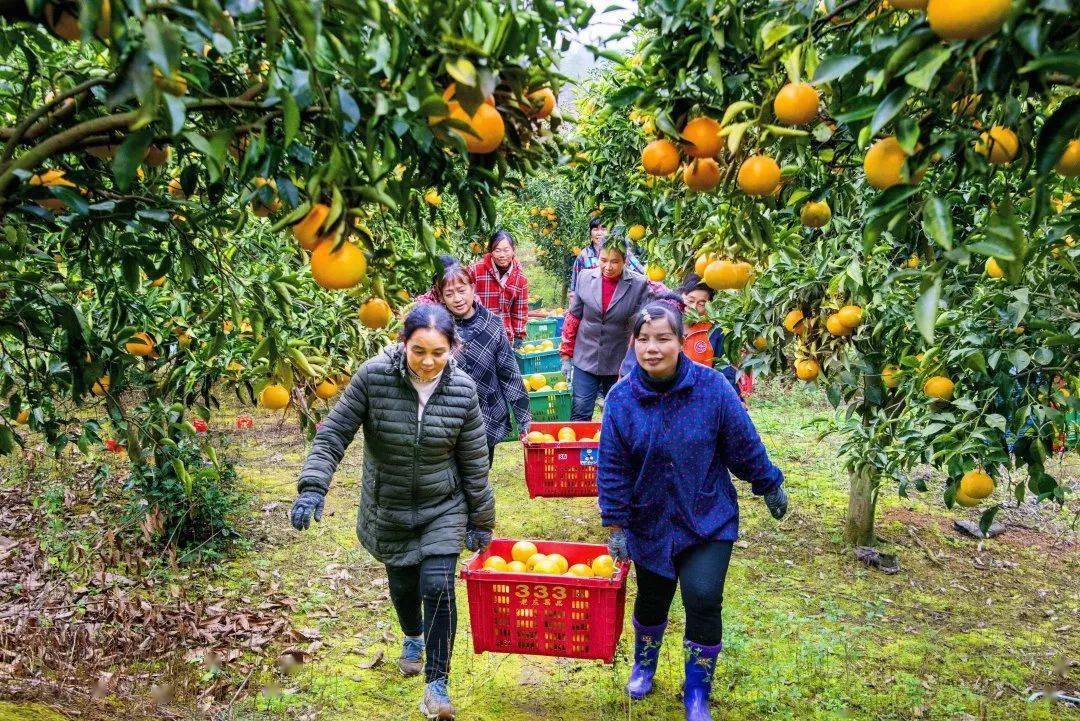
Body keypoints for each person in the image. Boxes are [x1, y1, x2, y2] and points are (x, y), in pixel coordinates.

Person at [290, 304, 493, 720]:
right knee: (403, 584)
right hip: (391, 505)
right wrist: (312, 487)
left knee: (437, 586)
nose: (428, 361)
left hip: (442, 505)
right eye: (419, 350)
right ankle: (412, 635)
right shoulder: (373, 377)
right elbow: (334, 434)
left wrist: (480, 520)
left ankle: (437, 686)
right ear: (403, 343)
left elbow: (474, 461)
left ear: (452, 348)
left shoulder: (463, 390)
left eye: (438, 352)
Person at [597, 301, 788, 721]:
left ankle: (697, 688)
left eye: (663, 338)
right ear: (634, 343)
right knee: (652, 599)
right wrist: (615, 523)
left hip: (707, 516)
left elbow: (743, 442)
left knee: (703, 598)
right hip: (650, 522)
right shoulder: (621, 400)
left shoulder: (713, 388)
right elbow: (612, 466)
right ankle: (644, 664)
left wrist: (768, 482)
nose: (652, 348)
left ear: (682, 342)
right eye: (644, 339)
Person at [434, 255, 532, 462]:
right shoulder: (437, 328)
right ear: (442, 297)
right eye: (449, 294)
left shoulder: (492, 324)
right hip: (447, 416)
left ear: (472, 288)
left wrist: (524, 420)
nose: (457, 299)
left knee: (479, 474)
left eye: (461, 291)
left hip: (487, 415)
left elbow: (509, 373)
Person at [560, 239, 653, 421]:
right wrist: (566, 354)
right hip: (585, 355)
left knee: (618, 413)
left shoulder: (639, 285)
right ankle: (579, 449)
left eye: (615, 261)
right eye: (603, 260)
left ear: (625, 260)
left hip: (618, 360)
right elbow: (574, 317)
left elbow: (640, 328)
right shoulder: (585, 278)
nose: (608, 266)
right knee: (580, 410)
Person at [620, 276, 743, 400]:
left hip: (700, 397)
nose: (694, 307)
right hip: (658, 394)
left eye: (701, 304)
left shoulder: (714, 331)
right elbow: (631, 364)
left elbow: (725, 367)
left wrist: (735, 397)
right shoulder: (662, 323)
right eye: (690, 301)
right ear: (682, 295)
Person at [569, 218, 645, 303]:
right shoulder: (584, 256)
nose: (599, 233)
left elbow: (642, 274)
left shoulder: (621, 252)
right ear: (590, 233)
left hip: (619, 302)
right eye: (595, 229)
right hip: (591, 305)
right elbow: (575, 288)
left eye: (603, 229)